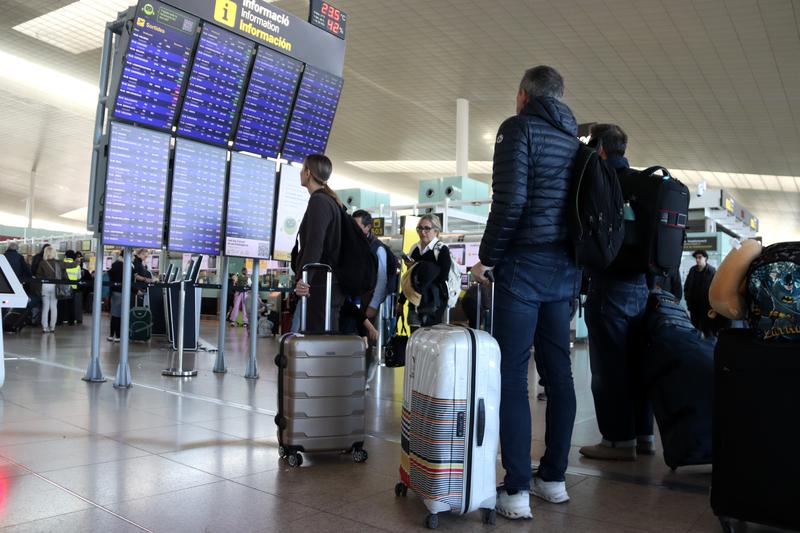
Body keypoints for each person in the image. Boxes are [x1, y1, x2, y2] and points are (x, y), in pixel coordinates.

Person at [471, 66, 582, 519]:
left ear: (523, 95)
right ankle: (553, 479)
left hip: (522, 269)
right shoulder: (576, 142)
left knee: (514, 375)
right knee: (559, 375)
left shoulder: (517, 130)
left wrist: (488, 257)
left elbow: (511, 201)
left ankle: (516, 489)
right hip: (566, 272)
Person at [579, 124, 655, 462]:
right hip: (643, 287)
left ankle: (617, 440)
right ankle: (644, 436)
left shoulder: (604, 179)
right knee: (638, 363)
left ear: (600, 149)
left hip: (610, 286)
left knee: (609, 368)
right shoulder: (646, 183)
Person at [291, 154, 345, 333]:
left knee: (318, 341)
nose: (300, 173)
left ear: (308, 173)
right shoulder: (331, 201)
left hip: (321, 286)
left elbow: (315, 244)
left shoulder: (319, 201)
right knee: (325, 342)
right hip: (328, 284)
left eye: (302, 169)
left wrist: (304, 279)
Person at [352, 209, 395, 383]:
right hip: (357, 299)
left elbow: (382, 279)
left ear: (368, 227)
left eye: (357, 226)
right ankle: (357, 374)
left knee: (370, 338)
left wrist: (374, 305)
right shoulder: (356, 244)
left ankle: (366, 377)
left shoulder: (378, 249)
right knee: (357, 335)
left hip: (369, 301)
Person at [396, 214, 451, 328]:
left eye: (427, 228)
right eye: (419, 228)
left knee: (430, 337)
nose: (422, 232)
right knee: (415, 336)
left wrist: (420, 269)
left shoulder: (441, 250)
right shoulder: (415, 249)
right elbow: (409, 279)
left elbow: (443, 277)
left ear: (436, 230)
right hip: (414, 300)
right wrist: (401, 301)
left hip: (433, 301)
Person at [684, 249, 718, 337]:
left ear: (705, 258)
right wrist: (687, 300)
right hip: (694, 306)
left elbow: (715, 289)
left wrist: (713, 306)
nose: (697, 259)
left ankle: (709, 348)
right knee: (695, 329)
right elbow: (687, 286)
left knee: (707, 330)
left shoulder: (712, 271)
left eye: (700, 257)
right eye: (696, 258)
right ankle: (696, 347)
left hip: (706, 307)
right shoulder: (693, 270)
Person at [36, 245, 61, 334]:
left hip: (45, 286)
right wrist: (76, 262)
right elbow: (68, 266)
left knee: (45, 307)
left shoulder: (42, 263)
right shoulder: (58, 262)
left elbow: (38, 275)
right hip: (55, 286)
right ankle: (52, 327)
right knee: (54, 307)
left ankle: (44, 327)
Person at [107, 251, 125, 342]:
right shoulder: (125, 266)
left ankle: (111, 335)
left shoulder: (115, 264)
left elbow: (109, 274)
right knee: (119, 315)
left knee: (114, 314)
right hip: (121, 292)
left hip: (113, 292)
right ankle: (118, 336)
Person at [62, 250, 82, 325]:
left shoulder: (62, 263)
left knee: (62, 303)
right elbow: (79, 277)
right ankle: (71, 321)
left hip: (62, 286)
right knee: (71, 305)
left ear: (65, 255)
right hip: (73, 286)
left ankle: (60, 320)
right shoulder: (77, 265)